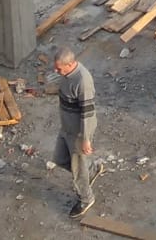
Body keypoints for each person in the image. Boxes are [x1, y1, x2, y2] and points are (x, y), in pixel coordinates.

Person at [48, 46, 96, 217]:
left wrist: (86, 138)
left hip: (77, 133)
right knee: (60, 159)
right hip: (66, 127)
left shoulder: (82, 81)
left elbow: (88, 113)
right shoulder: (66, 74)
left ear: (69, 65)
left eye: (59, 68)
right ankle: (90, 170)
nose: (56, 71)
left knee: (77, 170)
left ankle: (86, 198)